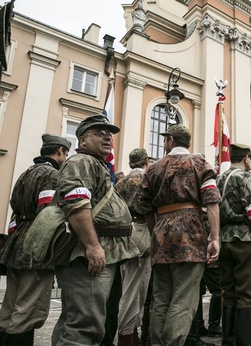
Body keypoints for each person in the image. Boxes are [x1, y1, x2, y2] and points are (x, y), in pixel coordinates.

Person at [51, 115, 140, 345]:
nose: (107, 136)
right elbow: (76, 203)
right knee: (85, 326)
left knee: (75, 321)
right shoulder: (82, 162)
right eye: (99, 132)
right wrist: (92, 246)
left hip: (100, 251)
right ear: (82, 140)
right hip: (88, 254)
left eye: (109, 133)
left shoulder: (95, 164)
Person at [140, 124, 220, 346]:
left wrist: (154, 233)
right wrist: (215, 239)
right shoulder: (201, 164)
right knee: (183, 298)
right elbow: (211, 202)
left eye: (166, 140)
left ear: (171, 141)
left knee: (161, 298)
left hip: (161, 232)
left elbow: (145, 207)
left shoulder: (153, 169)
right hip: (191, 234)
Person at [0, 134, 70, 344]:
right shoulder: (51, 174)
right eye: (66, 153)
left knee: (10, 306)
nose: (66, 157)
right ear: (59, 150)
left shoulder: (26, 172)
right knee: (29, 309)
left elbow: (14, 207)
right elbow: (47, 213)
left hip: (16, 243)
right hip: (35, 247)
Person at [217, 143, 251, 345]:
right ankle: (243, 341)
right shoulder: (246, 178)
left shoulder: (219, 178)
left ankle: (228, 341)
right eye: (250, 159)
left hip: (224, 238)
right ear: (246, 158)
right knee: (246, 293)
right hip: (245, 240)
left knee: (228, 291)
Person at [114, 148, 153, 345]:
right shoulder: (147, 179)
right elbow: (150, 208)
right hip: (142, 229)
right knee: (136, 289)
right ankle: (127, 336)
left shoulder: (121, 182)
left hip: (123, 232)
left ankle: (132, 334)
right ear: (146, 160)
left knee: (129, 286)